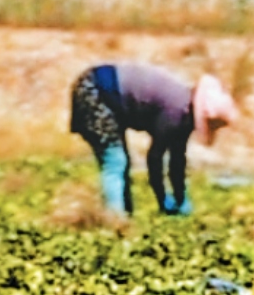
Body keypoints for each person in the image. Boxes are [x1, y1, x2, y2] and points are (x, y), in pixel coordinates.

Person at [69, 62, 238, 216]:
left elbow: (177, 160)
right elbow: (155, 159)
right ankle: (115, 220)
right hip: (94, 90)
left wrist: (180, 196)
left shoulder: (184, 114)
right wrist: (163, 198)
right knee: (115, 161)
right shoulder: (175, 114)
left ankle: (124, 215)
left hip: (107, 93)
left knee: (121, 161)